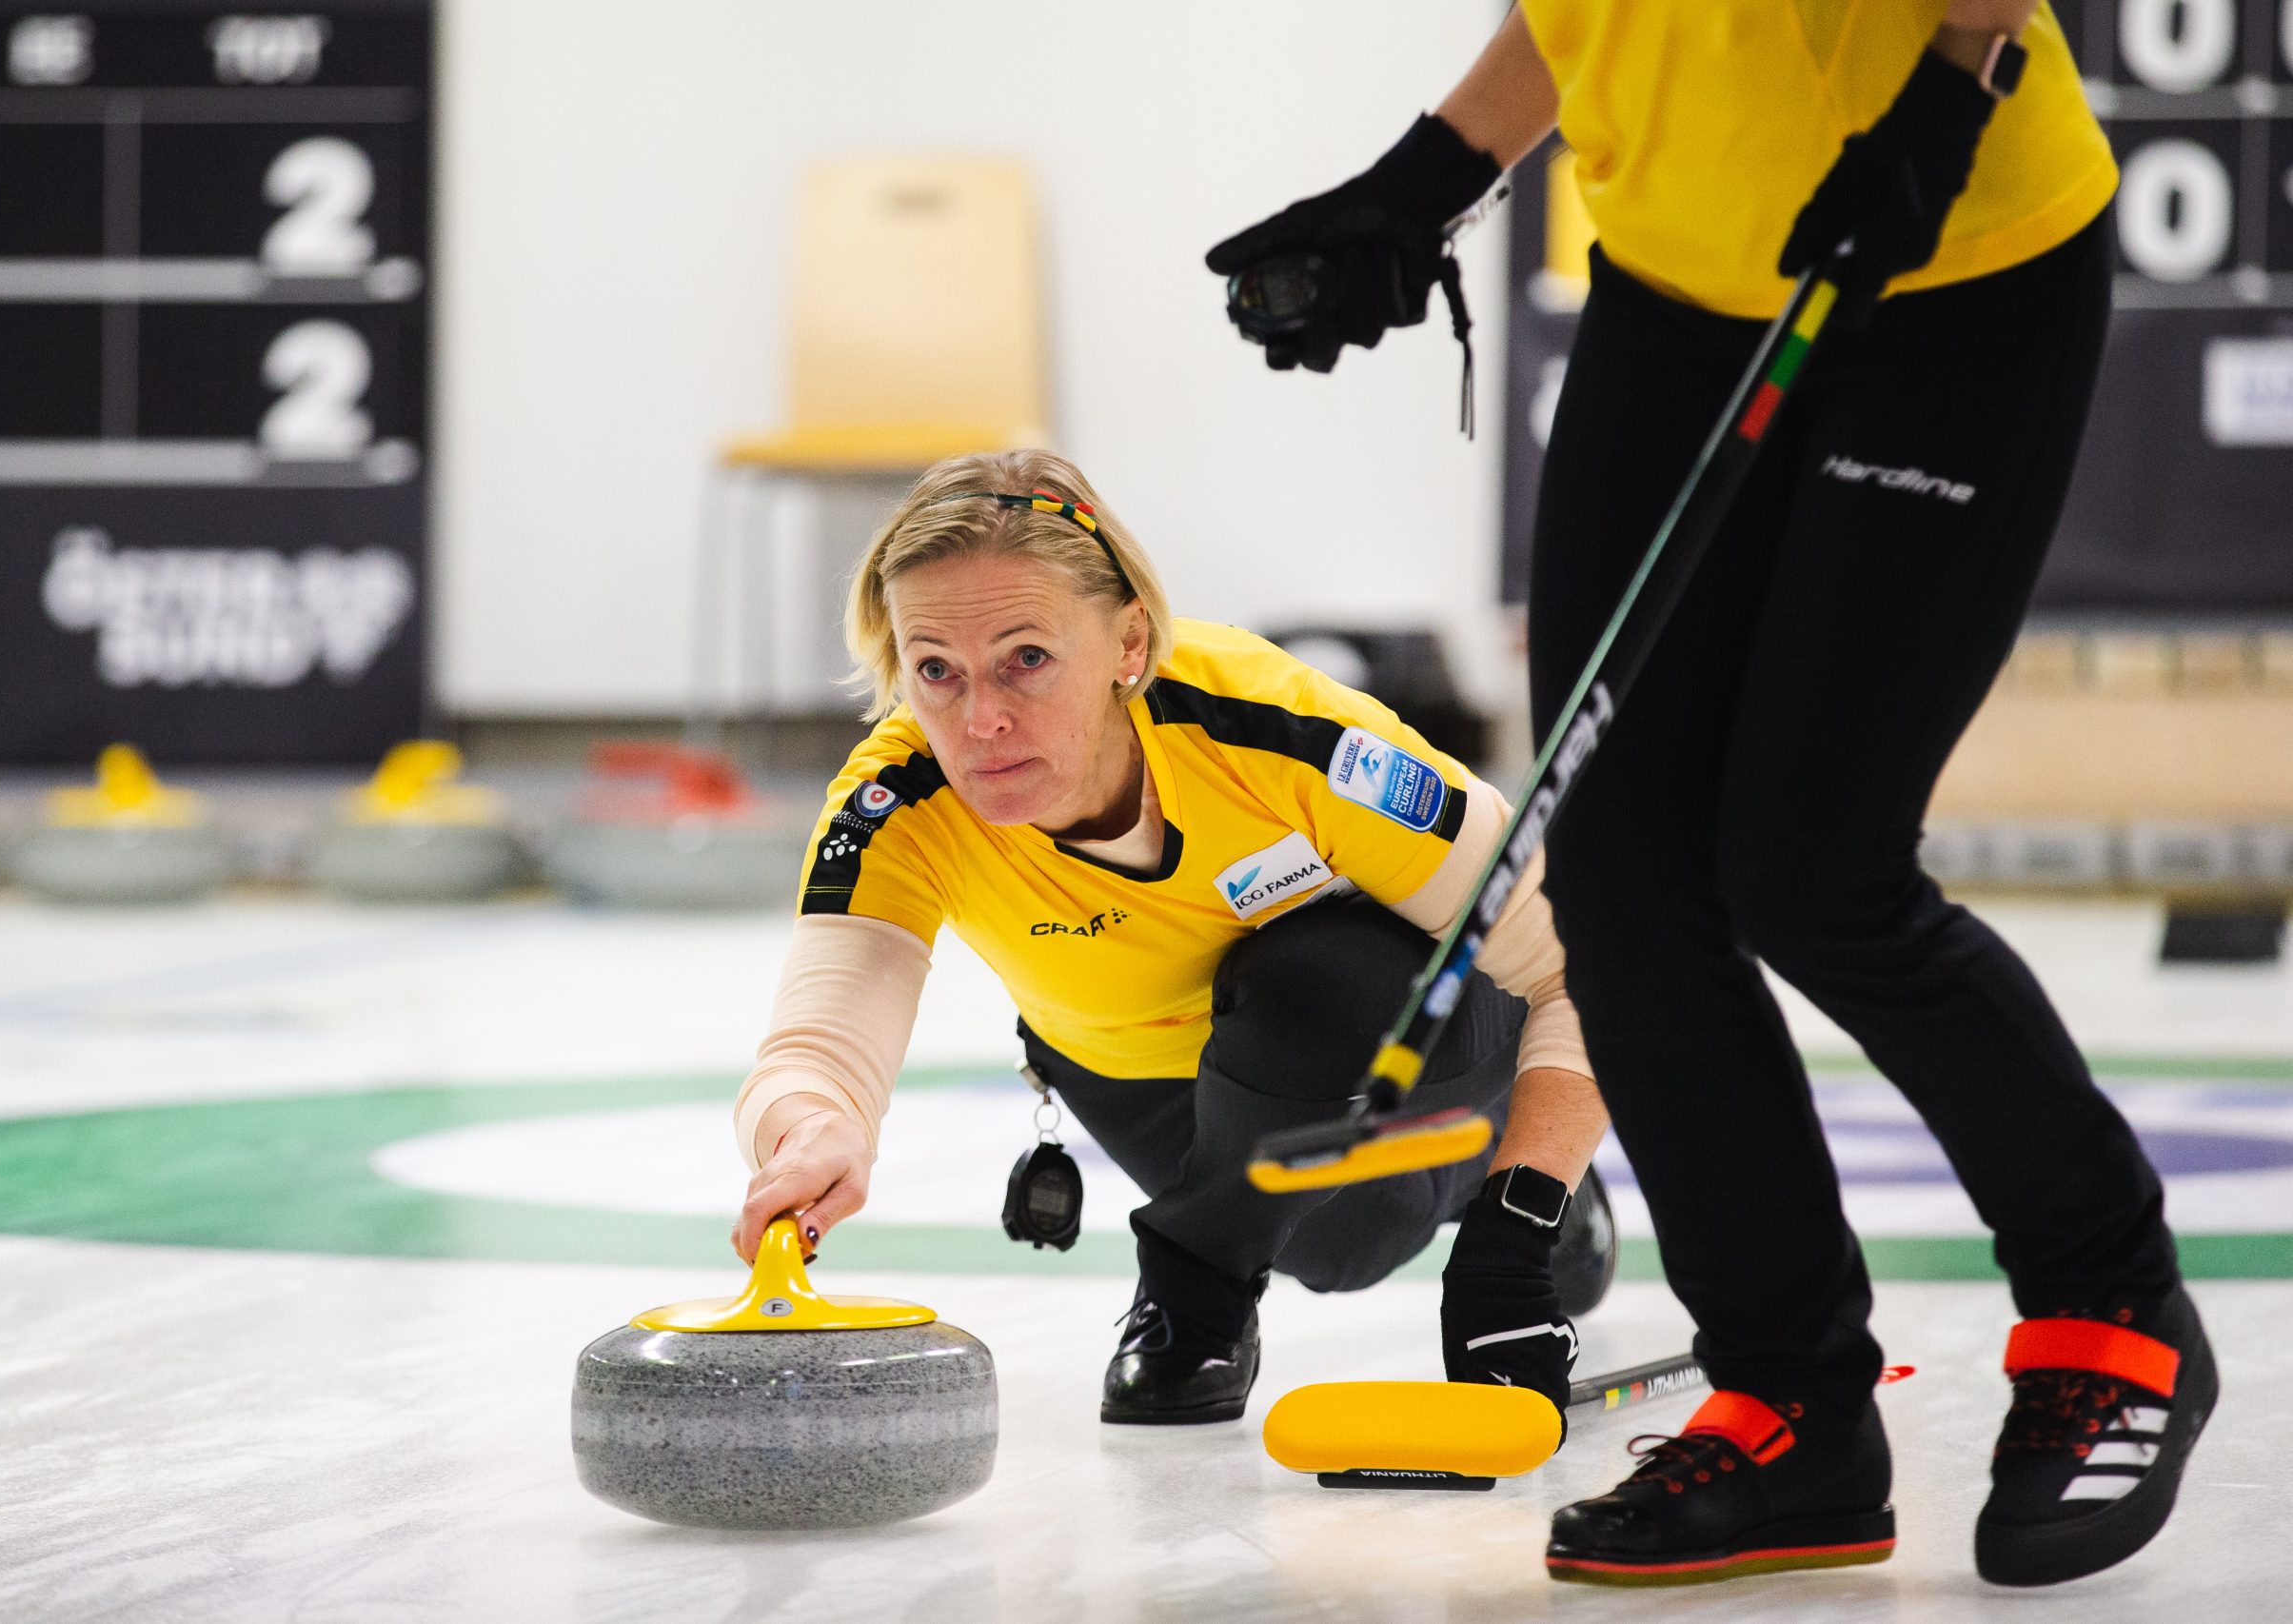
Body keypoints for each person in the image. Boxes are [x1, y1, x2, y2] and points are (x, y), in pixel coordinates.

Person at [1208, 0, 2213, 1590]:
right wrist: (1427, 176)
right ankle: (1793, 1401)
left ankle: (2111, 1295)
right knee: (1616, 877)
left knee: (1812, 863)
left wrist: (1947, 103)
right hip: (1678, 283)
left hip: (1953, 262)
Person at [730, 447, 1616, 1427]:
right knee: (1332, 1251)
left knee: (1320, 983)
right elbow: (821, 1035)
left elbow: (1583, 967)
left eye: (1027, 657)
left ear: (1127, 643)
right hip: (1138, 1078)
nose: (979, 718)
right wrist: (815, 1130)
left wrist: (1516, 1224)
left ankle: (1220, 1278)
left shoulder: (1285, 737)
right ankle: (1249, 1246)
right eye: (935, 670)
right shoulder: (899, 800)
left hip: (1386, 1030)